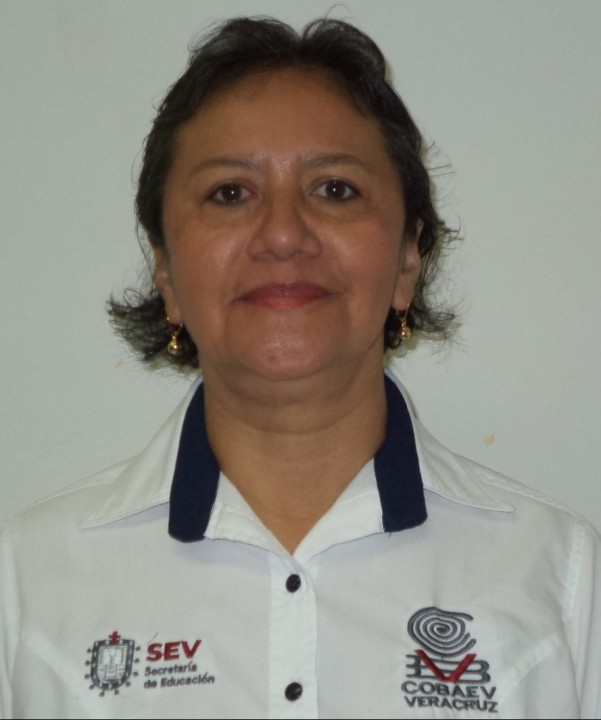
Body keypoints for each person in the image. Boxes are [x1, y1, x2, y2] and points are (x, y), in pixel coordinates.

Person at [1, 16, 599, 720]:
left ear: (407, 259)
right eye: (230, 193)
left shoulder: (559, 577)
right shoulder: (28, 584)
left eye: (335, 189)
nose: (283, 235)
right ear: (164, 268)